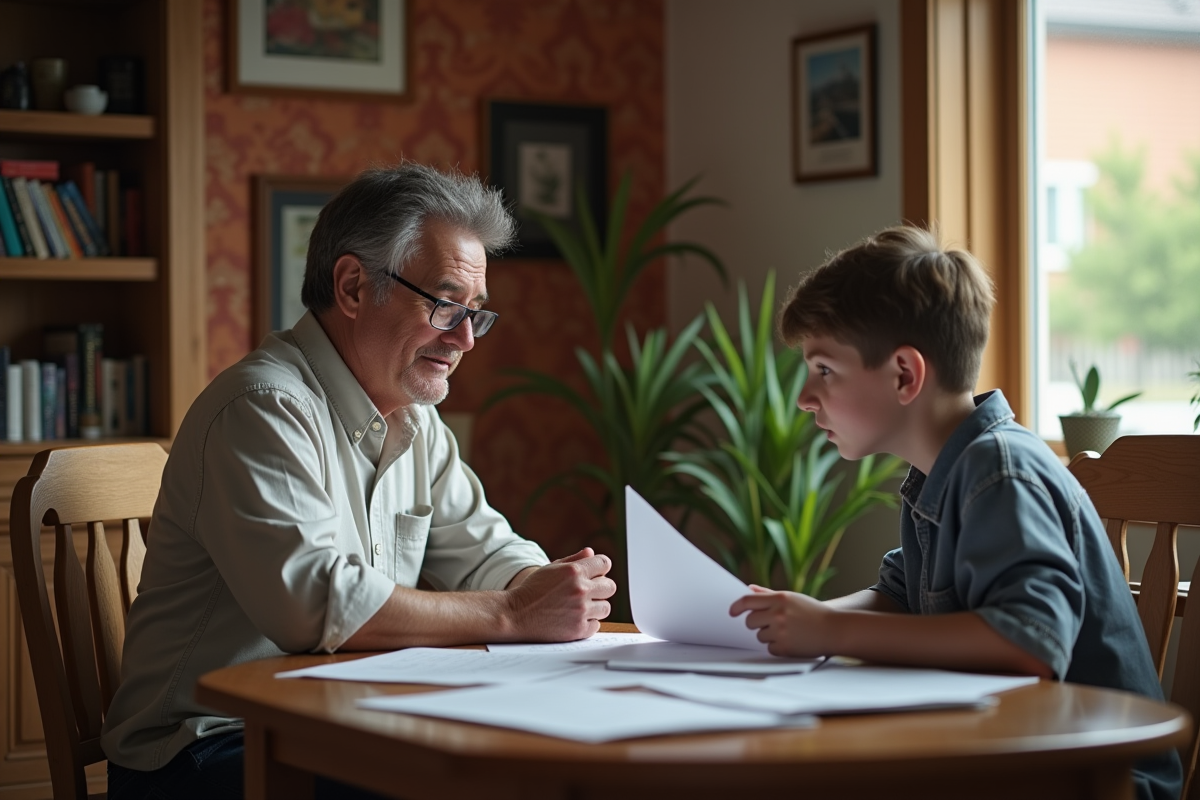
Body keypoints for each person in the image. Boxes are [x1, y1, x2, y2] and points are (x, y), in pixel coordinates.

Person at [102, 163, 616, 799]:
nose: (464, 340)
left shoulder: (415, 421)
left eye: (475, 314)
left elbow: (485, 548)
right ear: (352, 287)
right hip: (205, 747)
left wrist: (540, 586)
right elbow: (312, 605)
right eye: (446, 304)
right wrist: (514, 612)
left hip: (339, 719)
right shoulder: (263, 406)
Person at [729, 225, 1181, 800]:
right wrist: (794, 622)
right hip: (1010, 753)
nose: (804, 397)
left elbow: (1029, 644)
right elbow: (899, 595)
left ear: (904, 375)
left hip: (1095, 777)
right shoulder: (939, 472)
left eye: (823, 370)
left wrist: (829, 629)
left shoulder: (1000, 472)